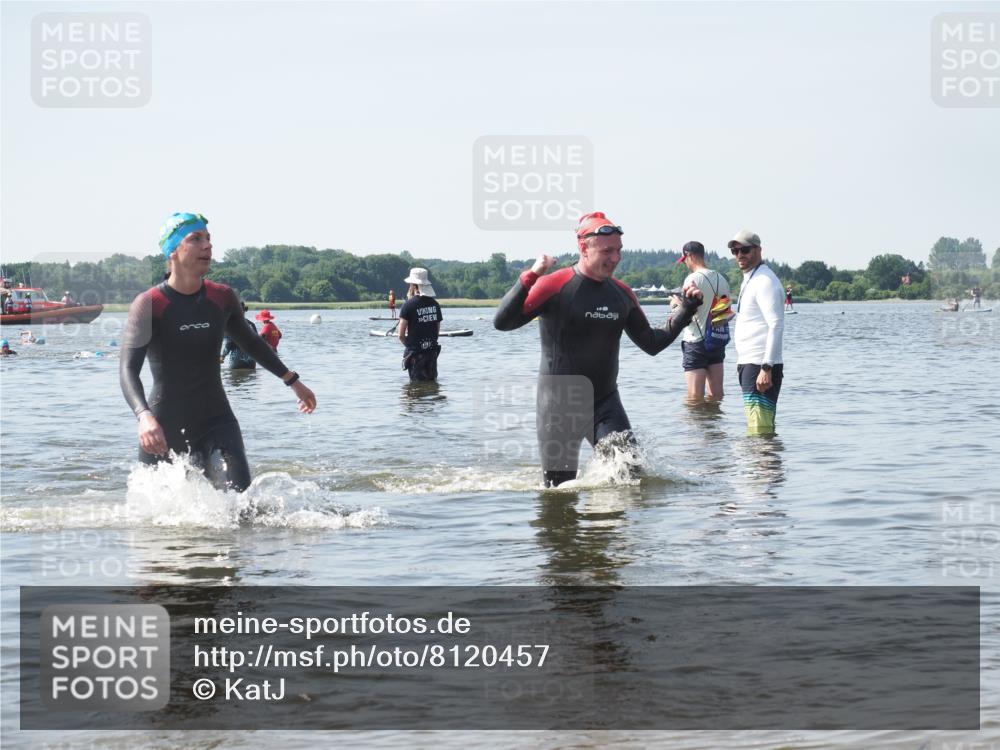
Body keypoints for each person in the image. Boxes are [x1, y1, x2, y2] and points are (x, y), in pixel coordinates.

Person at [494, 211, 702, 487]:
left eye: (618, 251)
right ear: (583, 247)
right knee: (558, 493)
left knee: (630, 476)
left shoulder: (622, 295)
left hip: (604, 402)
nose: (615, 258)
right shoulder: (554, 285)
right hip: (558, 406)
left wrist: (685, 310)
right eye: (607, 251)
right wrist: (531, 275)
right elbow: (502, 322)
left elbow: (652, 343)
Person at [120, 212, 316, 492]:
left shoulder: (221, 297)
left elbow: (251, 342)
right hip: (162, 429)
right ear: (172, 250)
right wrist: (144, 416)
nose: (207, 246)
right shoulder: (150, 304)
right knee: (156, 524)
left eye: (209, 239)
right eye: (195, 239)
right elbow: (128, 369)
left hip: (217, 423)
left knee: (240, 509)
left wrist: (292, 381)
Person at [729, 230, 785, 436]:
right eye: (735, 251)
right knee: (756, 428)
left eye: (745, 250)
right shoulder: (751, 278)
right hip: (749, 362)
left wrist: (766, 367)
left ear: (758, 250)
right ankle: (758, 468)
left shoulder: (765, 281)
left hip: (760, 365)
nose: (739, 255)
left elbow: (776, 324)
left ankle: (764, 467)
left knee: (760, 429)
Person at [675, 240, 731, 401]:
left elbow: (686, 315)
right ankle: (714, 425)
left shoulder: (692, 279)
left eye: (684, 259)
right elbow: (724, 310)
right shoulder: (722, 279)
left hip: (695, 342)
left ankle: (695, 427)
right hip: (716, 339)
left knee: (694, 398)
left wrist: (676, 305)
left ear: (689, 256)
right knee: (717, 395)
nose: (685, 263)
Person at [397, 268, 442, 382]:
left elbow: (400, 335)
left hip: (415, 355)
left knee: (415, 391)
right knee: (432, 385)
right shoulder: (435, 304)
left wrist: (411, 346)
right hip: (432, 353)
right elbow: (437, 331)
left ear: (413, 285)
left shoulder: (408, 305)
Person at [220, 302, 258, 370]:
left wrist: (222, 356)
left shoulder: (231, 325)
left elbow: (229, 343)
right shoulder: (252, 325)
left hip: (237, 361)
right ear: (244, 311)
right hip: (251, 362)